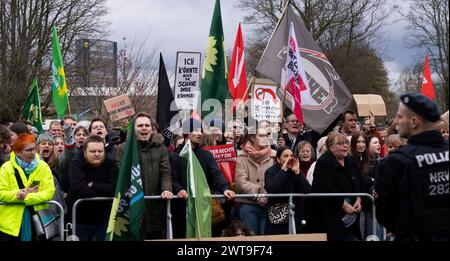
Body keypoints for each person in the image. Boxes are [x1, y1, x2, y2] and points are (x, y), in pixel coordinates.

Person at [375, 93, 449, 241]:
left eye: (400, 117)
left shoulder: (394, 163)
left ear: (414, 122)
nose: (396, 121)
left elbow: (384, 216)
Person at [171, 118, 235, 238]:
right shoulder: (175, 156)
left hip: (203, 205)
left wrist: (225, 188)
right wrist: (179, 189)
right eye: (195, 130)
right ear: (186, 133)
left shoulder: (206, 155)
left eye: (200, 130)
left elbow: (216, 174)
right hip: (182, 207)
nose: (200, 134)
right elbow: (172, 178)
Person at [117, 112, 173, 239]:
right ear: (134, 129)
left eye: (147, 125)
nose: (144, 128)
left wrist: (167, 189)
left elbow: (165, 171)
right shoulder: (123, 149)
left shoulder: (161, 149)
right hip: (132, 206)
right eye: (140, 125)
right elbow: (121, 175)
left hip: (155, 207)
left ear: (152, 129)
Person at [0, 134, 55, 241]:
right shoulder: (6, 168)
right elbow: (1, 193)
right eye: (28, 150)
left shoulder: (43, 166)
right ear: (18, 152)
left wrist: (26, 197)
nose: (33, 152)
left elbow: (49, 192)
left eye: (34, 148)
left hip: (38, 220)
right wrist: (17, 194)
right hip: (10, 224)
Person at [311, 132, 363, 241]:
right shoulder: (323, 162)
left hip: (352, 214)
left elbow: (359, 180)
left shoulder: (351, 160)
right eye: (340, 144)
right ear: (331, 147)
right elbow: (324, 187)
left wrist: (359, 198)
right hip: (330, 215)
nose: (345, 146)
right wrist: (343, 204)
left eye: (346, 143)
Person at [67, 135, 118, 241]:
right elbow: (81, 190)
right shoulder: (76, 163)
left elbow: (113, 189)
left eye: (100, 151)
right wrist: (103, 189)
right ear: (85, 153)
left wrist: (94, 185)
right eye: (93, 151)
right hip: (80, 218)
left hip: (104, 218)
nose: (97, 154)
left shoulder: (111, 163)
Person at [235, 126, 275, 235]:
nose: (265, 138)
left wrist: (267, 194)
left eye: (267, 135)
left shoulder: (275, 156)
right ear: (252, 138)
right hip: (249, 205)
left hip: (270, 204)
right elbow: (240, 183)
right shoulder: (241, 157)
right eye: (261, 135)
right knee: (251, 237)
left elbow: (278, 179)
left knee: (267, 238)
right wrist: (259, 193)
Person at [264, 146, 311, 235]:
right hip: (277, 216)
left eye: (291, 155)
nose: (289, 158)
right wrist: (283, 171)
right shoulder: (271, 171)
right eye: (286, 156)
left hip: (295, 214)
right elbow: (272, 189)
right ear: (278, 159)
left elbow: (308, 190)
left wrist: (298, 173)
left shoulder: (295, 170)